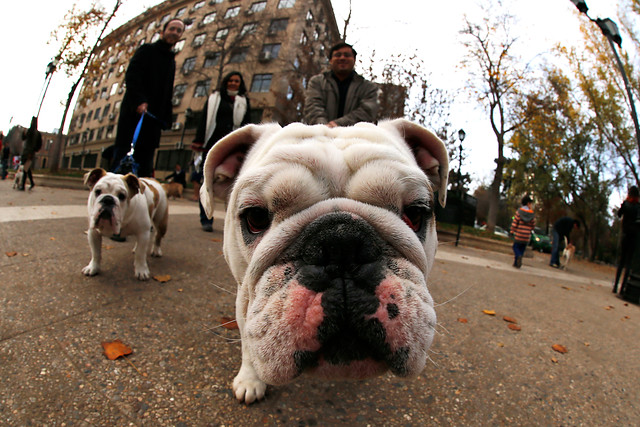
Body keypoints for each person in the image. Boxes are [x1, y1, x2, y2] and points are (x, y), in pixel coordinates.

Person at [112, 18, 185, 178]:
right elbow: (132, 76)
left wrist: (166, 118)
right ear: (162, 32)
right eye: (172, 28)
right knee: (124, 154)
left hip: (153, 119)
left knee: (145, 160)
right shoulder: (147, 50)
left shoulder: (171, 60)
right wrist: (139, 100)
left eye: (179, 31)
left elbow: (166, 91)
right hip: (135, 113)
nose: (175, 32)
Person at [192, 71, 251, 231]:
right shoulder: (214, 98)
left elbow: (247, 124)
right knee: (207, 182)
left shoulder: (244, 101)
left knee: (234, 186)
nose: (233, 83)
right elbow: (204, 120)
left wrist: (247, 147)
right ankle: (206, 219)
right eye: (230, 80)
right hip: (211, 145)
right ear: (226, 82)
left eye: (237, 81)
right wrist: (199, 141)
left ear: (240, 84)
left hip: (234, 148)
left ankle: (231, 223)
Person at [303, 42, 378, 127]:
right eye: (338, 55)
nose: (342, 58)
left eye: (347, 55)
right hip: (321, 136)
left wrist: (338, 124)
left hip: (354, 137)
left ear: (354, 60)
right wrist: (323, 128)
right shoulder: (317, 82)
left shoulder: (368, 87)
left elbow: (367, 111)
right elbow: (313, 107)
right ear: (330, 60)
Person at [613, 186, 640, 293]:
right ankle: (623, 288)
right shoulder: (638, 206)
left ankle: (615, 286)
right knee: (628, 264)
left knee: (621, 262)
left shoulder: (626, 204)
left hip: (625, 235)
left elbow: (619, 214)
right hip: (634, 237)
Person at [510, 195, 535, 268]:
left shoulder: (519, 212)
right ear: (528, 203)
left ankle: (518, 257)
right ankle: (516, 263)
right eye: (530, 203)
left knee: (515, 247)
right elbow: (533, 225)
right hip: (526, 235)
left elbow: (515, 222)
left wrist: (512, 231)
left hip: (519, 233)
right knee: (522, 248)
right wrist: (530, 229)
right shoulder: (531, 214)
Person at [18, 117, 42, 191]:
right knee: (27, 169)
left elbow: (23, 138)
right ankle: (31, 183)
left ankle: (23, 185)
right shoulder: (38, 133)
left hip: (26, 153)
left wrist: (23, 132)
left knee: (25, 169)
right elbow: (39, 144)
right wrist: (35, 150)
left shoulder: (29, 131)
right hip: (31, 154)